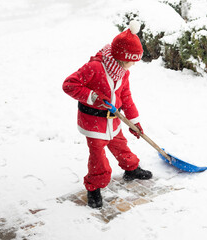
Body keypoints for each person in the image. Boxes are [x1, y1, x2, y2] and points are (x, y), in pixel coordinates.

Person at [62, 20, 152, 208]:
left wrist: (134, 122)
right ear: (121, 57)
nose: (133, 65)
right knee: (98, 158)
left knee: (121, 146)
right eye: (131, 61)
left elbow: (126, 97)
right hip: (94, 123)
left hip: (114, 121)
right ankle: (94, 187)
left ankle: (131, 168)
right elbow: (69, 85)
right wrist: (93, 96)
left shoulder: (122, 72)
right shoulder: (94, 68)